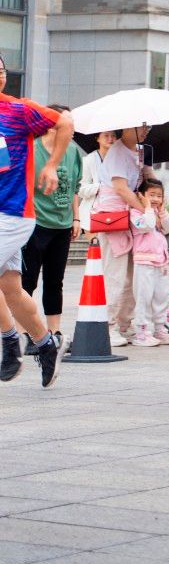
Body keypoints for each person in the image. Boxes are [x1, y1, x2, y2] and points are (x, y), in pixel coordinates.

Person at [0, 66, 72, 389]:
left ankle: (9, 344)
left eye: (1, 70)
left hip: (13, 214)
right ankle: (45, 344)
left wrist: (52, 164)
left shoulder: (19, 110)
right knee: (11, 289)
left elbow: (65, 122)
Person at [21, 105, 79, 342]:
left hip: (62, 226)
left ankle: (55, 332)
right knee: (27, 280)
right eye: (67, 123)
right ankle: (24, 332)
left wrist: (76, 217)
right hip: (36, 224)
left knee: (55, 281)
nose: (72, 128)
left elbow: (75, 187)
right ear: (52, 125)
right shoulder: (33, 150)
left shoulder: (73, 152)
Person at [94, 125, 148, 348]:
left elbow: (145, 181)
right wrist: (146, 210)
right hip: (114, 217)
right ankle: (108, 326)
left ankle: (124, 324)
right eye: (141, 126)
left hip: (131, 218)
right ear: (126, 127)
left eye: (148, 126)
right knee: (115, 274)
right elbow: (121, 188)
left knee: (132, 274)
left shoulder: (140, 150)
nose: (146, 130)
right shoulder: (117, 151)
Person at [128, 178, 169, 346]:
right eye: (152, 195)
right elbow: (147, 226)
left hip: (160, 262)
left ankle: (160, 330)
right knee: (144, 297)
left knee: (161, 297)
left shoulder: (157, 213)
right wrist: (148, 208)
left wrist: (162, 211)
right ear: (141, 195)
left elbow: (168, 226)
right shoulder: (136, 213)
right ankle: (141, 333)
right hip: (144, 262)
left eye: (159, 196)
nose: (156, 199)